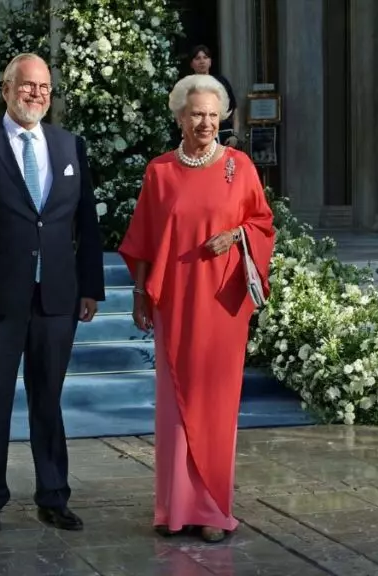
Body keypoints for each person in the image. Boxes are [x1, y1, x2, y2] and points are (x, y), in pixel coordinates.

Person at [0, 53, 106, 535]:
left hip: (57, 296)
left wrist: (90, 286)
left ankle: (53, 496)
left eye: (44, 87)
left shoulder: (69, 145)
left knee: (49, 400)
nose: (36, 94)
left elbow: (86, 222)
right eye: (27, 86)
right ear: (6, 89)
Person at [118, 74, 275, 543]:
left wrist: (236, 234)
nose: (205, 122)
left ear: (221, 118)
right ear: (180, 117)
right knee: (174, 405)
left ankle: (211, 510)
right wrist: (140, 293)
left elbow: (263, 221)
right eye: (196, 114)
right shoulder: (160, 170)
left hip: (223, 305)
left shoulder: (239, 166)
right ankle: (174, 510)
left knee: (216, 404)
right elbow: (144, 238)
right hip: (176, 302)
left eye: (212, 114)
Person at [185, 45, 241, 148]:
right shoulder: (187, 87)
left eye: (205, 57)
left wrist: (235, 136)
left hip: (226, 137)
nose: (202, 61)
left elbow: (234, 111)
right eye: (197, 58)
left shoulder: (221, 82)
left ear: (210, 62)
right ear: (191, 64)